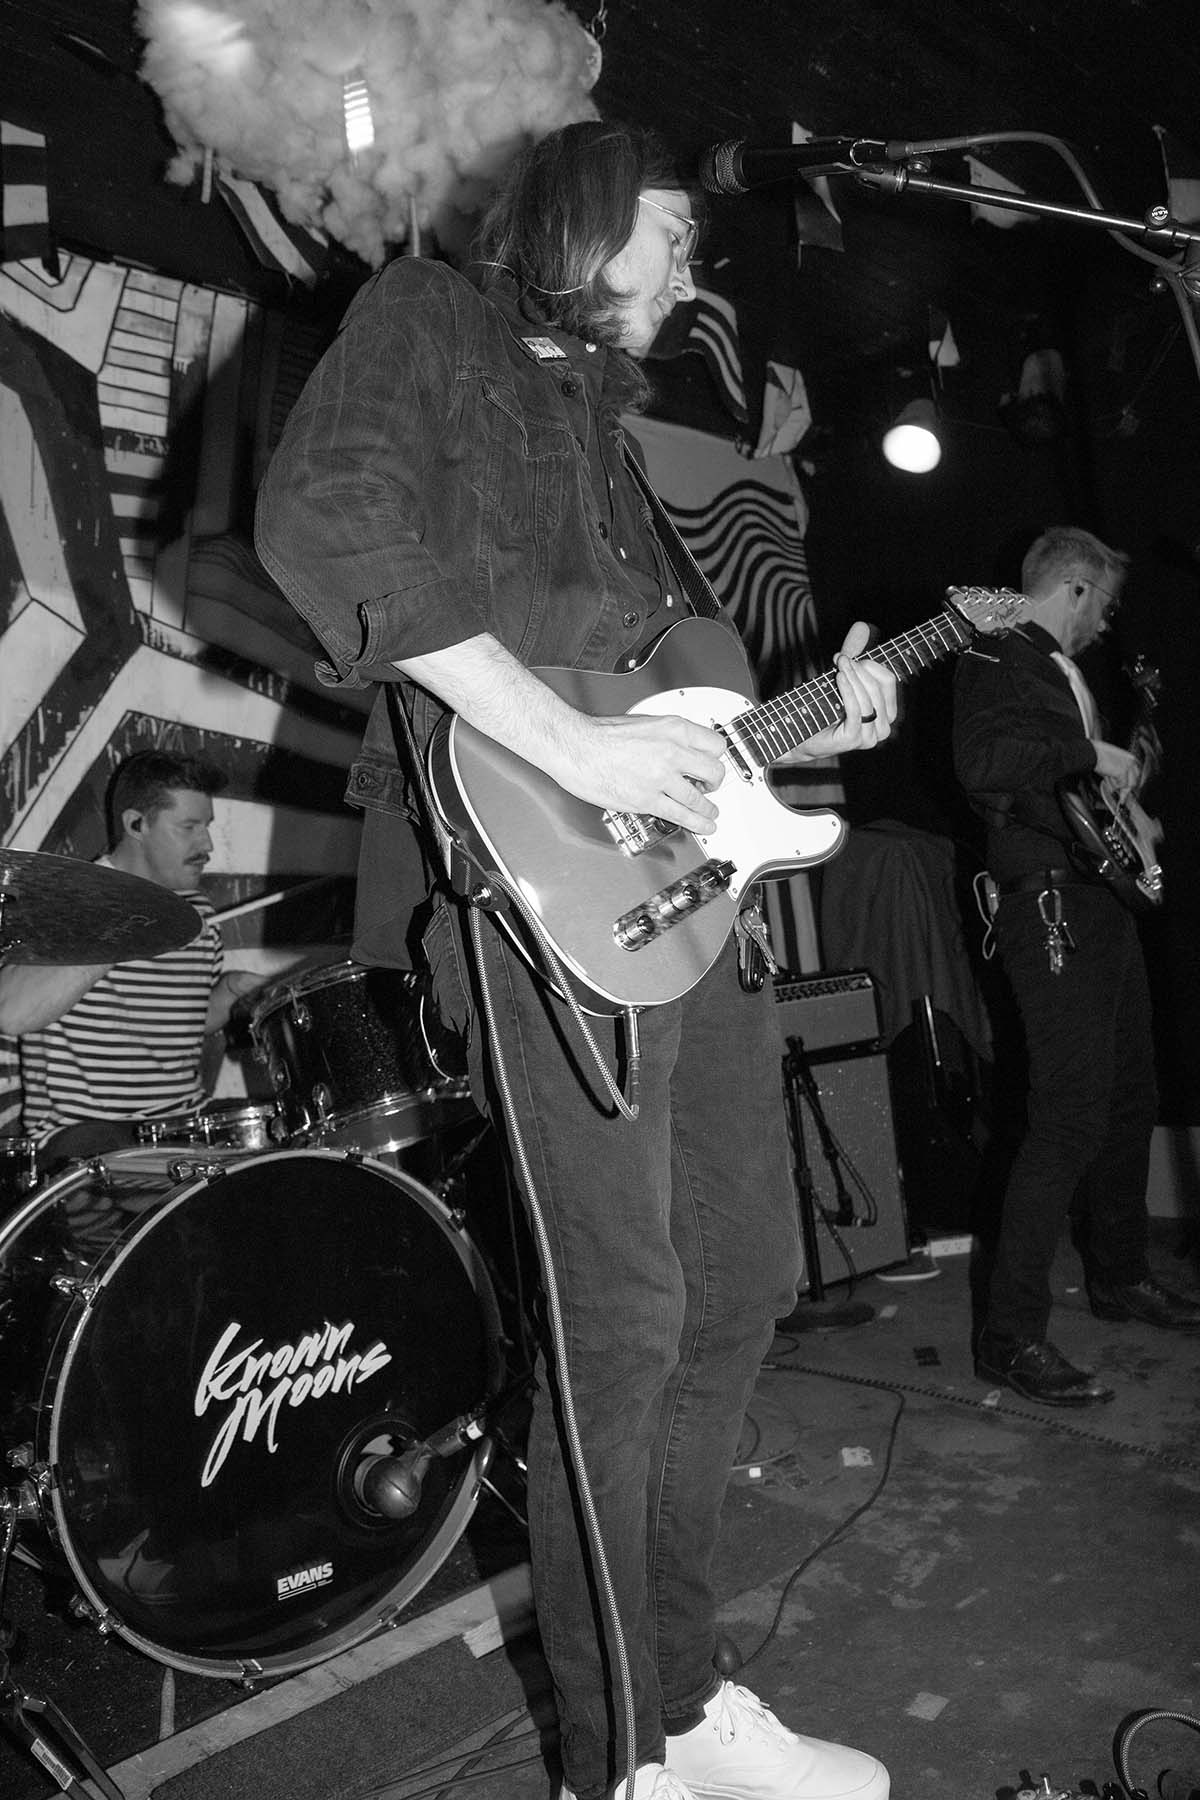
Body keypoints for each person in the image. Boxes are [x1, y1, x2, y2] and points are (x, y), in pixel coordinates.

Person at [255, 119, 897, 1800]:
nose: (695, 273)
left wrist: (808, 722)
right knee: (623, 1324)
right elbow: (325, 516)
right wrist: (575, 745)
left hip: (679, 905)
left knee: (740, 1285)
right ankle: (624, 1764)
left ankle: (678, 1699)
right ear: (588, 217)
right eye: (675, 236)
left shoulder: (603, 434)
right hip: (533, 905)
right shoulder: (430, 319)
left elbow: (667, 694)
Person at [953, 524, 1200, 1409]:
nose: (1106, 624)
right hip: (1050, 905)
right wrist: (1091, 751)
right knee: (1066, 1118)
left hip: (1097, 901)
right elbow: (983, 763)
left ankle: (1120, 1275)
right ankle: (1009, 1336)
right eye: (1104, 605)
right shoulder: (998, 654)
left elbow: (1060, 792)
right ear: (1077, 588)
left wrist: (1128, 819)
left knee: (1130, 1096)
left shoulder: (1059, 674)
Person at [0, 748, 261, 1169]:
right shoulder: (68, 902)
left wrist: (229, 993)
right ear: (136, 824)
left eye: (207, 826)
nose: (208, 844)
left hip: (181, 1124)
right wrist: (126, 927)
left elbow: (180, 1022)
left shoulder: (198, 913)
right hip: (85, 1136)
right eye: (189, 827)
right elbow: (11, 1012)